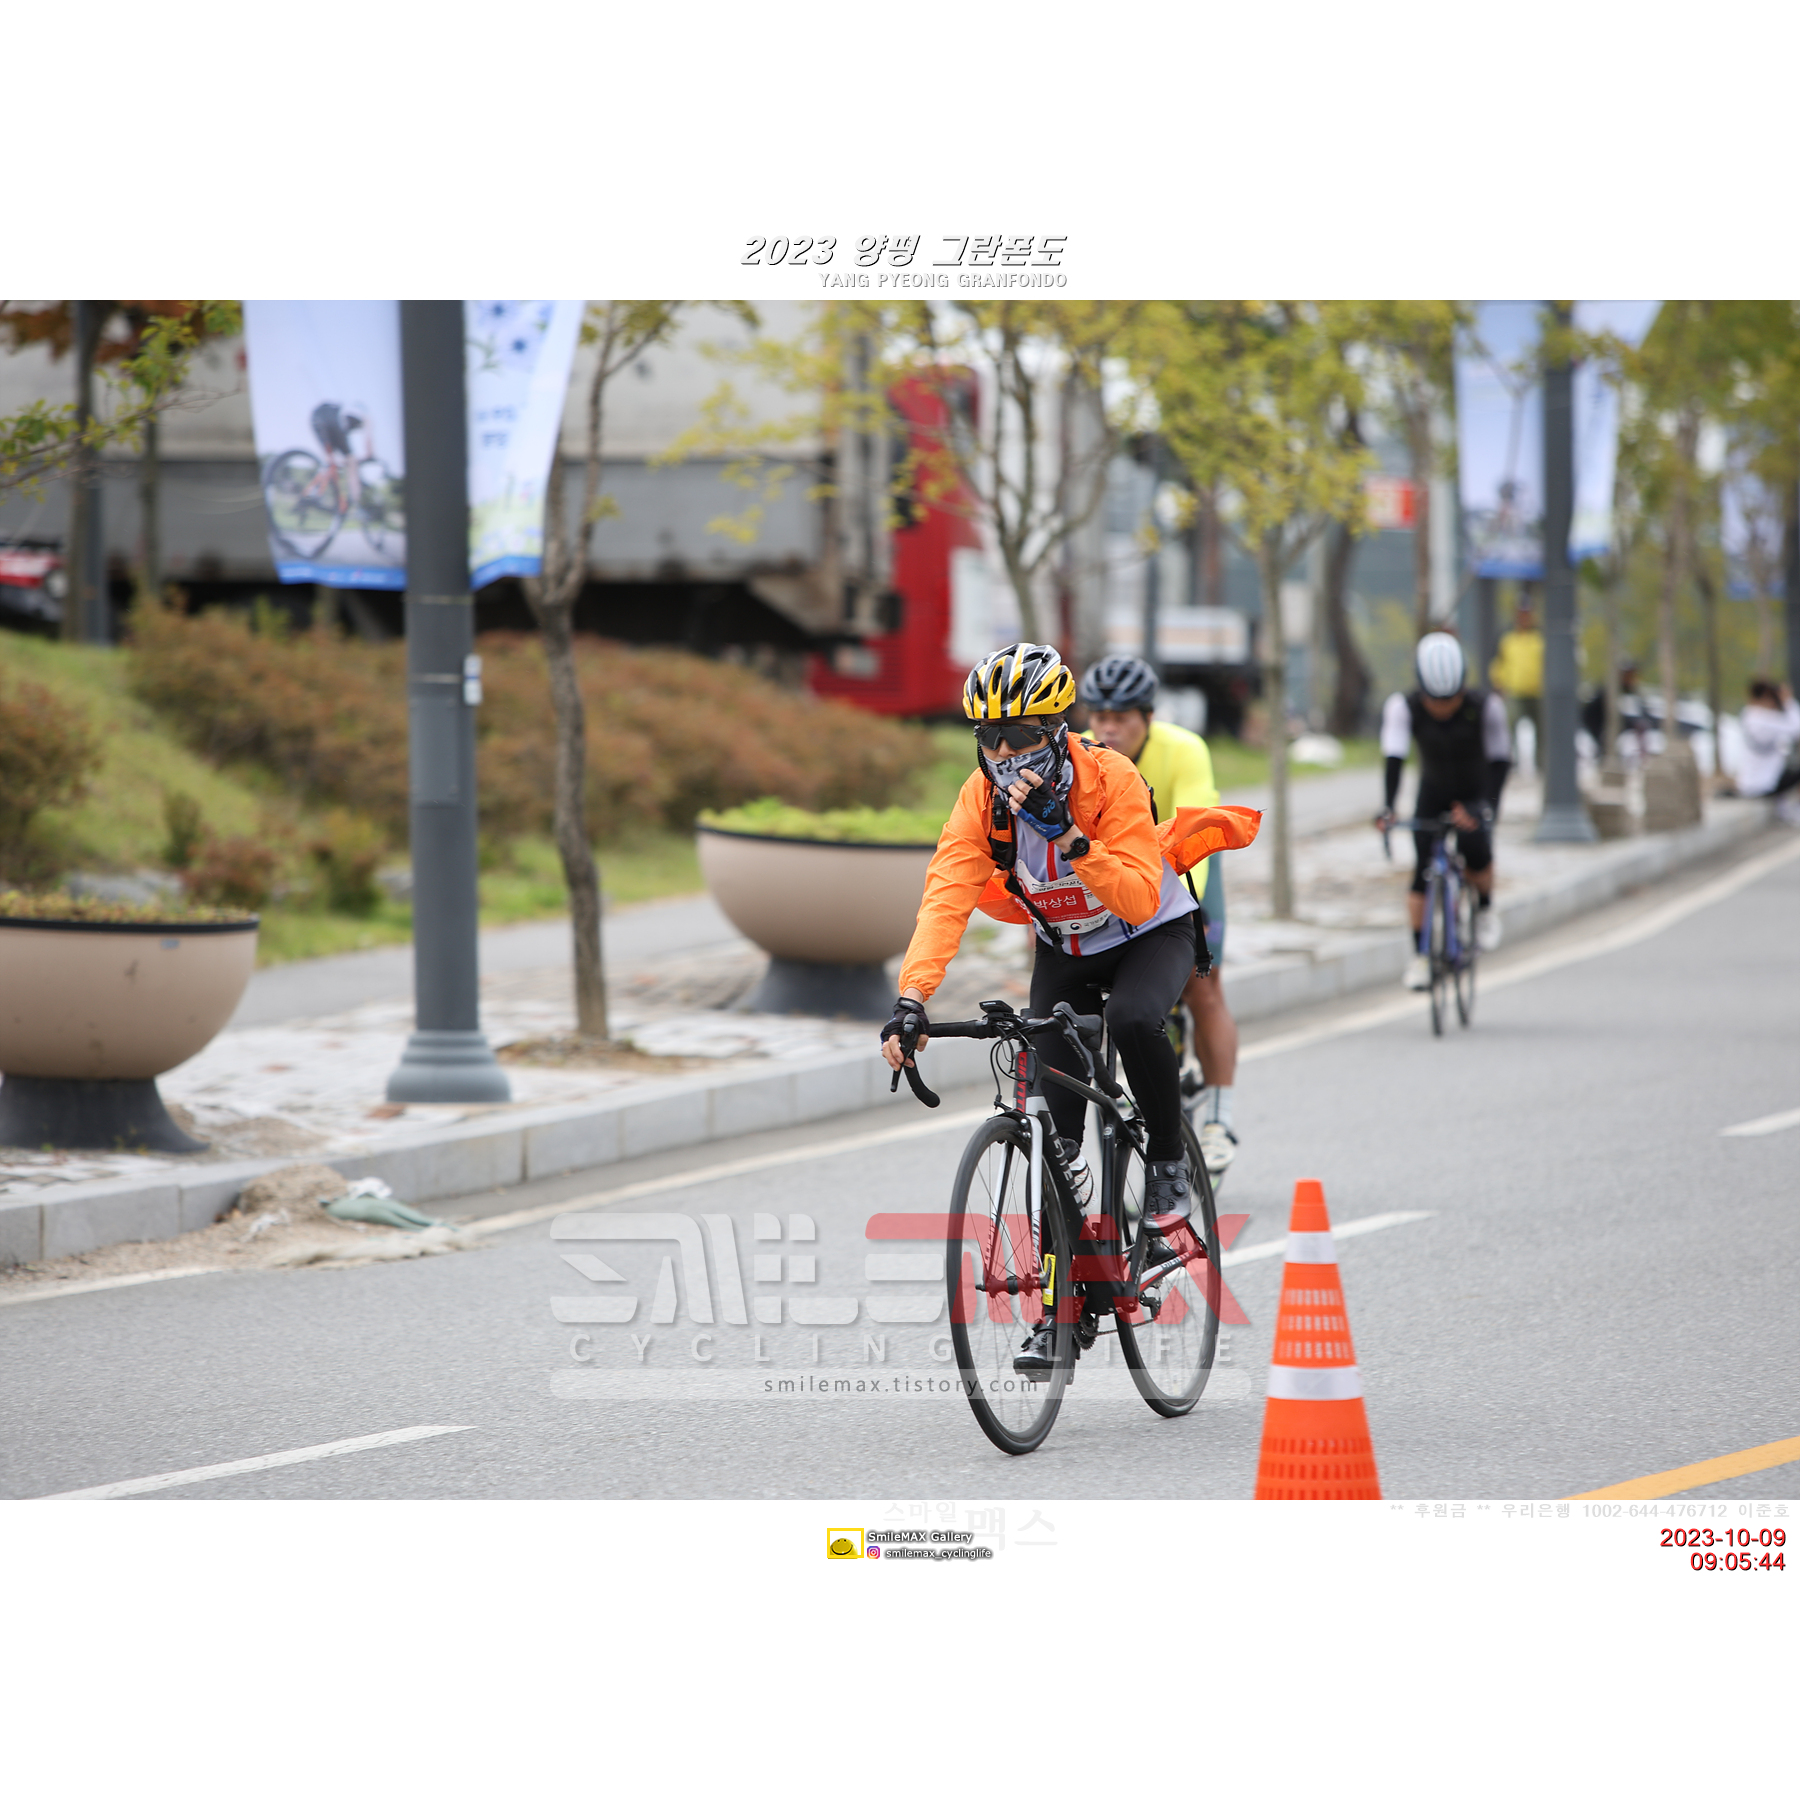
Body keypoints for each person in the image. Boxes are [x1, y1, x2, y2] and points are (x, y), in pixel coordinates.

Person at [879, 642, 1205, 1377]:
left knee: (1132, 1020)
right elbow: (946, 895)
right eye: (989, 738)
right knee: (1056, 1134)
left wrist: (1073, 837)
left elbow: (1138, 897)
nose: (1003, 754)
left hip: (1150, 934)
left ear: (1057, 730)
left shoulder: (1112, 777)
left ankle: (1166, 1162)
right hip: (1067, 948)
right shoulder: (982, 799)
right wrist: (912, 999)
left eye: (1020, 736)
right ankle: (1060, 1314)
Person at [1078, 653, 1240, 1181]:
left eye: (1121, 717)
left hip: (1186, 871)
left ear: (1148, 717)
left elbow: (1197, 828)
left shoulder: (1184, 750)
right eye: (1099, 716)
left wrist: (1192, 911)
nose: (1108, 728)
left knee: (1204, 987)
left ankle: (1219, 1119)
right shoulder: (1081, 754)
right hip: (1121, 880)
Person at [1378, 633, 1512, 991]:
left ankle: (1485, 908)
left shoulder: (1487, 707)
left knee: (1476, 851)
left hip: (1475, 791)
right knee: (1421, 871)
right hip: (1433, 793)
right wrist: (1388, 808)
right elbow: (1393, 759)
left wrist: (1484, 808)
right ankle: (1420, 956)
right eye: (1434, 700)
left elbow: (1501, 762)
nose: (1443, 708)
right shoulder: (1403, 707)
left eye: (1451, 699)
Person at [1732, 679, 1800, 817]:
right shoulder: (1761, 719)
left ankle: (1785, 808)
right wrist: (1788, 700)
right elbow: (1797, 728)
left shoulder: (1750, 715)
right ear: (1765, 697)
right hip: (1763, 783)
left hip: (1755, 781)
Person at [1489, 599, 1544, 771]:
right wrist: (1498, 684)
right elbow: (1498, 663)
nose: (1524, 618)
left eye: (1527, 614)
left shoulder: (1539, 638)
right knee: (1509, 729)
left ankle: (1541, 764)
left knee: (1542, 731)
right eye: (1521, 614)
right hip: (1514, 692)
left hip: (1538, 693)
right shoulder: (1508, 639)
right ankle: (1512, 764)